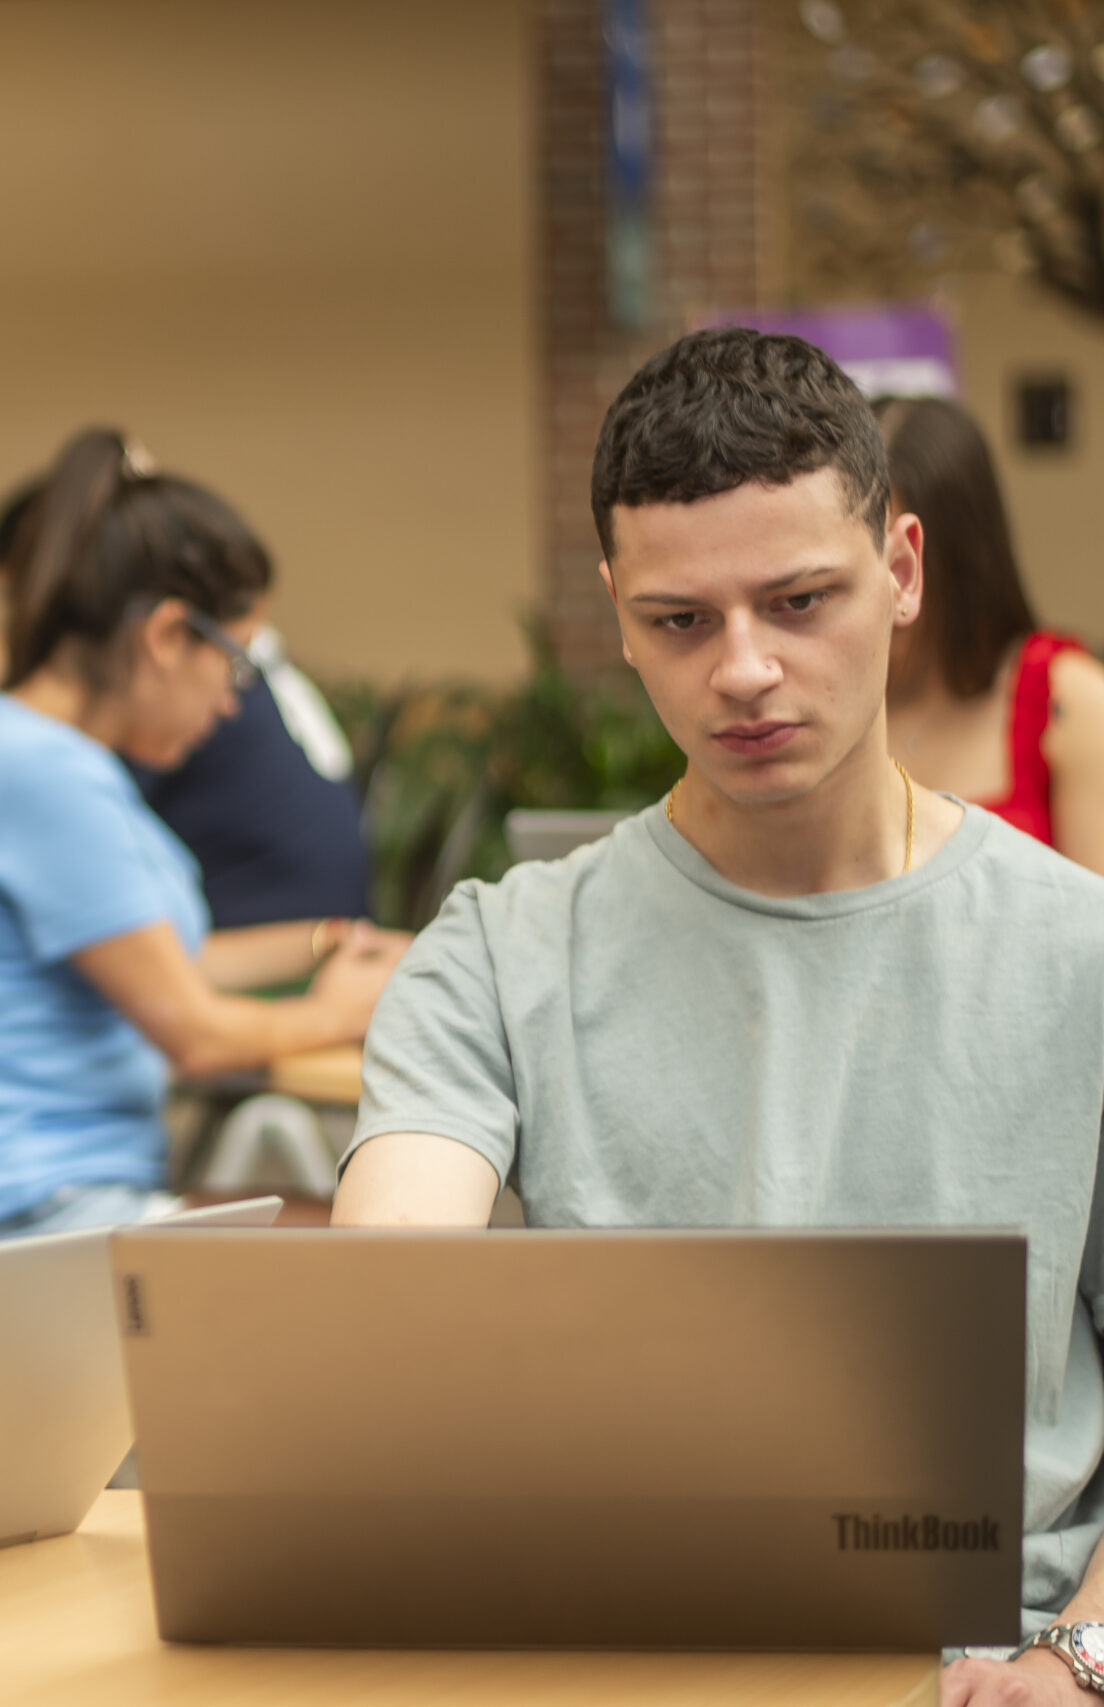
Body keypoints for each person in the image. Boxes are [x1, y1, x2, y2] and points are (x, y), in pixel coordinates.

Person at [334, 329, 1104, 1704]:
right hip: (624, 1642)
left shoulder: (1080, 954)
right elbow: (389, 1317)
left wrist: (1076, 1654)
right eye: (684, 621)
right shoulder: (503, 954)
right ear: (622, 614)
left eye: (800, 601)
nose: (744, 669)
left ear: (906, 571)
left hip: (999, 1649)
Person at [0, 428, 403, 1258]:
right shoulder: (38, 772)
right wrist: (337, 1010)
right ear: (164, 637)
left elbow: (165, 962)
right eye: (235, 664)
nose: (233, 702)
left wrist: (331, 942)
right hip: (12, 1237)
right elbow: (193, 1031)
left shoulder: (50, 756)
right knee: (390, 1243)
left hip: (53, 1214)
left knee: (377, 1230)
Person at [0, 476, 374, 934]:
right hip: (281, 937)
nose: (228, 703)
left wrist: (327, 944)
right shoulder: (65, 768)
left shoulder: (149, 717)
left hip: (278, 928)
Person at [874, 394, 1104, 869]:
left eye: (903, 561)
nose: (884, 593)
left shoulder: (1066, 699)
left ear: (959, 555)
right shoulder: (834, 704)